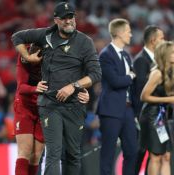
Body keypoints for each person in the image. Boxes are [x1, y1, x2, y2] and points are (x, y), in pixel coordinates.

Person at [11, 2, 102, 175]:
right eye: (64, 18)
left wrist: (78, 87)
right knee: (48, 153)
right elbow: (17, 38)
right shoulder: (44, 37)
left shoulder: (84, 42)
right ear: (56, 20)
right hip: (44, 104)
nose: (69, 21)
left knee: (67, 155)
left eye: (71, 17)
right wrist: (28, 57)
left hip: (72, 105)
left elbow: (93, 73)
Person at [13, 44, 90, 175]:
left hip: (46, 107)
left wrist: (83, 92)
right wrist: (34, 88)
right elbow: (21, 87)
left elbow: (69, 81)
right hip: (25, 106)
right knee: (25, 152)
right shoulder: (25, 54)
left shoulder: (58, 59)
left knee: (36, 155)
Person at [96, 18, 137, 175]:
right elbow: (114, 81)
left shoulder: (126, 56)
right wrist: (131, 76)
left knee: (132, 151)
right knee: (108, 153)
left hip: (127, 110)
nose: (131, 35)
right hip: (111, 110)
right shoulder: (105, 55)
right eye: (128, 31)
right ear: (119, 33)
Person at [139, 41, 174, 175]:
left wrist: (172, 95)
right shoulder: (156, 73)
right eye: (173, 52)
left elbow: (160, 93)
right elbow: (144, 96)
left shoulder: (170, 73)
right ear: (165, 55)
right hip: (152, 117)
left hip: (161, 117)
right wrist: (169, 99)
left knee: (166, 156)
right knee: (156, 155)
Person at [133, 25, 165, 175]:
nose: (164, 42)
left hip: (156, 114)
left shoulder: (157, 60)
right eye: (162, 38)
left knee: (153, 151)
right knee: (141, 151)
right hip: (146, 114)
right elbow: (140, 90)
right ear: (153, 41)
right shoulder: (141, 60)